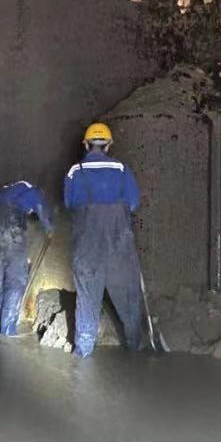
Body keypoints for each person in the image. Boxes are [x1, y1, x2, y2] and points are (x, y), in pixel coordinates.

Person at [64, 122, 145, 358]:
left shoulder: (75, 171)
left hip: (87, 246)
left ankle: (83, 353)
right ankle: (136, 348)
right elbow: (134, 204)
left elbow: (69, 203)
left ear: (86, 145)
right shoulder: (122, 169)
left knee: (87, 300)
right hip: (119, 244)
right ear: (108, 145)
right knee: (128, 297)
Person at [0, 181, 54, 336]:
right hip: (9, 221)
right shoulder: (30, 188)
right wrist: (49, 228)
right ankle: (8, 331)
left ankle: (3, 322)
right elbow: (40, 204)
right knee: (16, 279)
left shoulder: (1, 192)